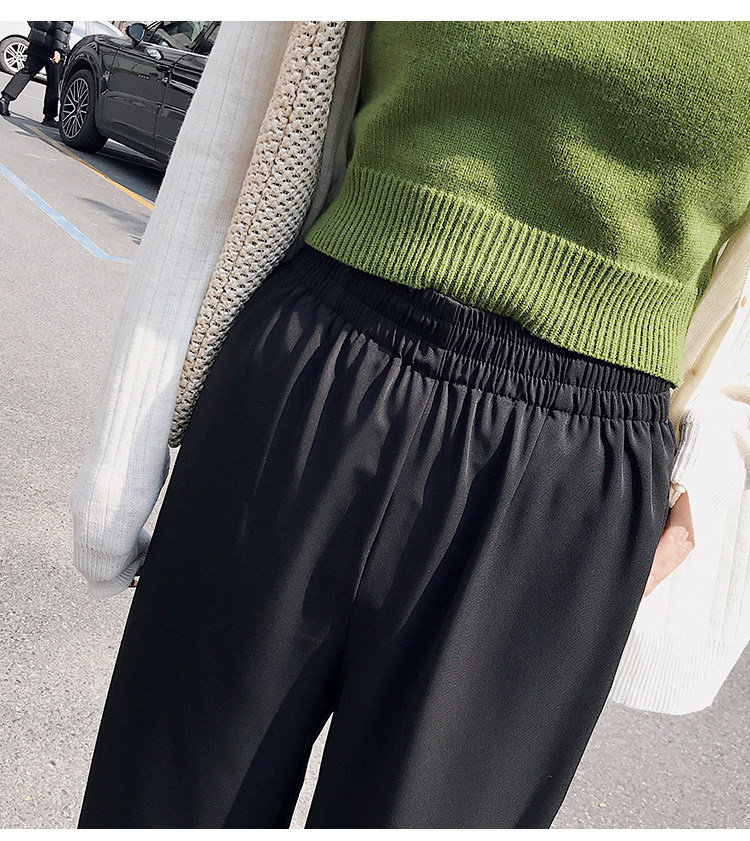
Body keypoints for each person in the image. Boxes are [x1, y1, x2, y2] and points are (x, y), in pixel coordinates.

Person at [71, 22, 750, 828]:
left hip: (574, 481)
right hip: (314, 380)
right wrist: (123, 454)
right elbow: (238, 129)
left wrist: (709, 478)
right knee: (165, 808)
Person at [0, 21, 73, 127]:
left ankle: (5, 99)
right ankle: (49, 117)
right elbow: (63, 29)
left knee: (26, 72)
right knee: (54, 83)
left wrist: (37, 31)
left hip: (37, 43)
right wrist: (58, 49)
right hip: (52, 47)